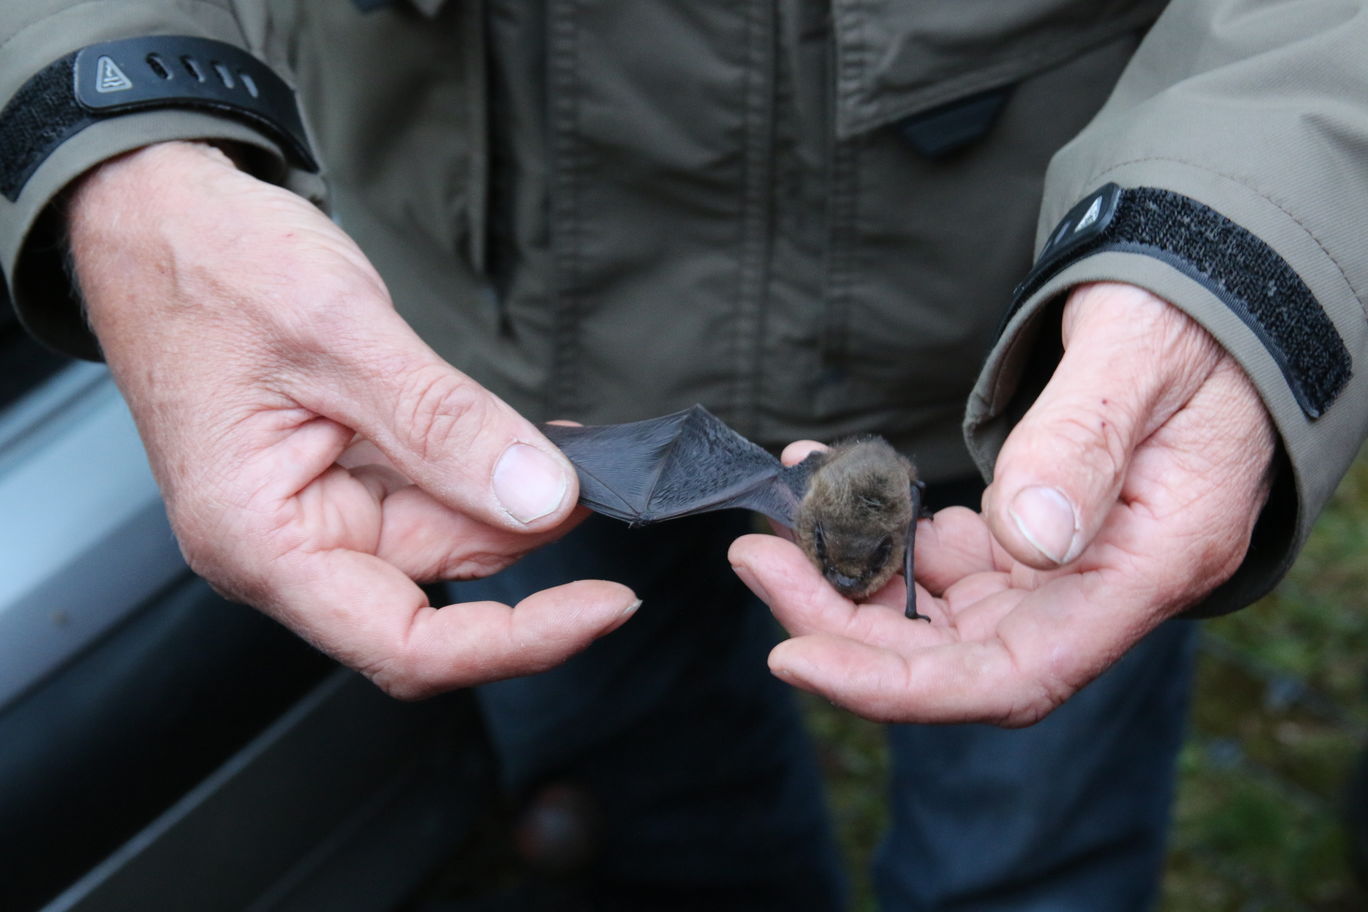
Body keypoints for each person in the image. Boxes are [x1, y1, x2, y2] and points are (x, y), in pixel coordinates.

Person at [2, 1, 1365, 908]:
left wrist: (1235, 253)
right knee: (648, 801)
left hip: (1011, 367)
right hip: (501, 371)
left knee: (1030, 839)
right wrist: (119, 126)